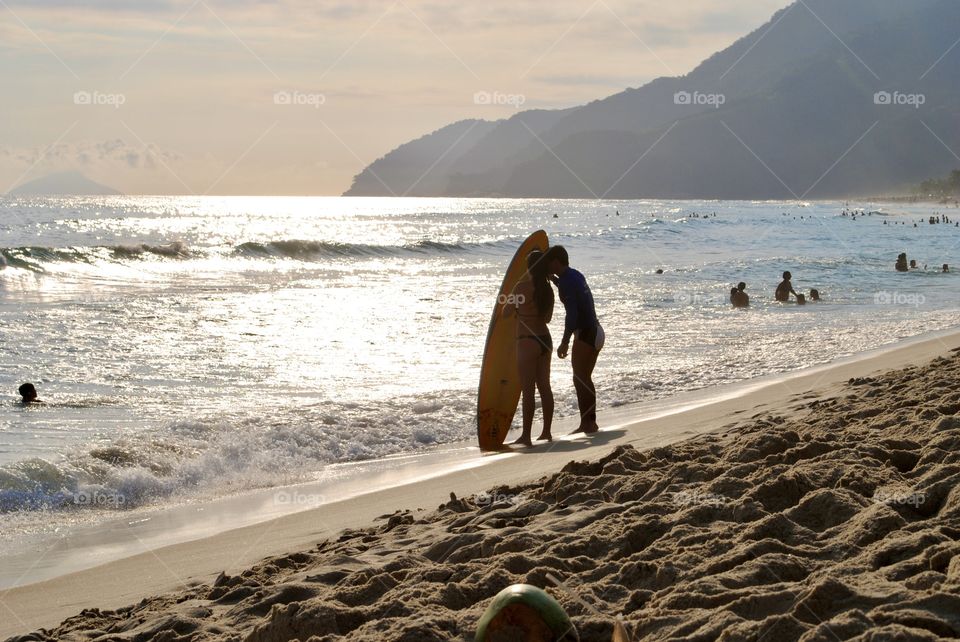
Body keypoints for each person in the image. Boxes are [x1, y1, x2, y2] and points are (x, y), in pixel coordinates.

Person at [545, 245, 603, 435]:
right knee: (584, 378)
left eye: (548, 262)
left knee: (580, 378)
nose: (547, 265)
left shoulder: (567, 282)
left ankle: (587, 423)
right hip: (597, 330)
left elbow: (572, 315)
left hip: (585, 333)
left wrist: (564, 341)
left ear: (555, 262)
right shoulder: (574, 275)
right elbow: (572, 291)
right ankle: (590, 422)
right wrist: (554, 280)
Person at [503, 250, 555, 446]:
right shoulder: (548, 289)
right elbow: (548, 318)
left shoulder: (520, 288)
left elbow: (505, 313)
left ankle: (526, 436)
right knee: (544, 387)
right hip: (544, 340)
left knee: (528, 391)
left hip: (527, 341)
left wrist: (518, 307)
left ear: (529, 268)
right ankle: (546, 432)